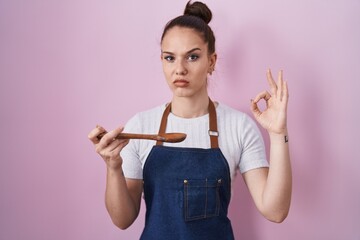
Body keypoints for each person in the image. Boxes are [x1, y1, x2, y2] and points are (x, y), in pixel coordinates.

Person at [88, 1, 291, 239]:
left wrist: (278, 135)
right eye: (169, 58)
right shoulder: (140, 126)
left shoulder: (238, 126)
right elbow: (122, 220)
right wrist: (113, 167)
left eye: (192, 57)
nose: (179, 69)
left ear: (212, 62)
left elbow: (275, 211)